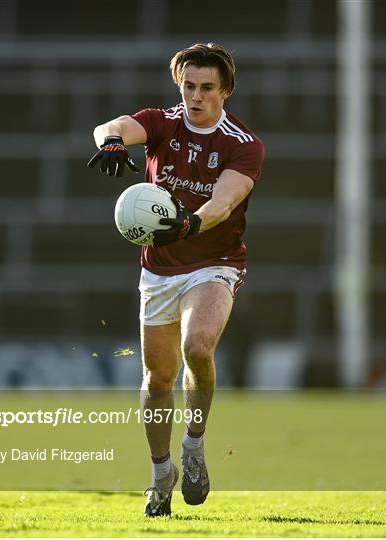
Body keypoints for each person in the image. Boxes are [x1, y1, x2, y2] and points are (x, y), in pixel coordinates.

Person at [87, 43, 264, 517]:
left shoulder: (243, 145)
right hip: (158, 269)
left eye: (207, 88)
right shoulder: (163, 122)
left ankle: (194, 445)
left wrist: (189, 224)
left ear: (225, 91)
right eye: (189, 85)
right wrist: (110, 141)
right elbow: (115, 125)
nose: (196, 96)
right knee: (157, 378)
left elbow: (222, 203)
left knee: (198, 347)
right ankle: (161, 474)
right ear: (178, 85)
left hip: (214, 262)